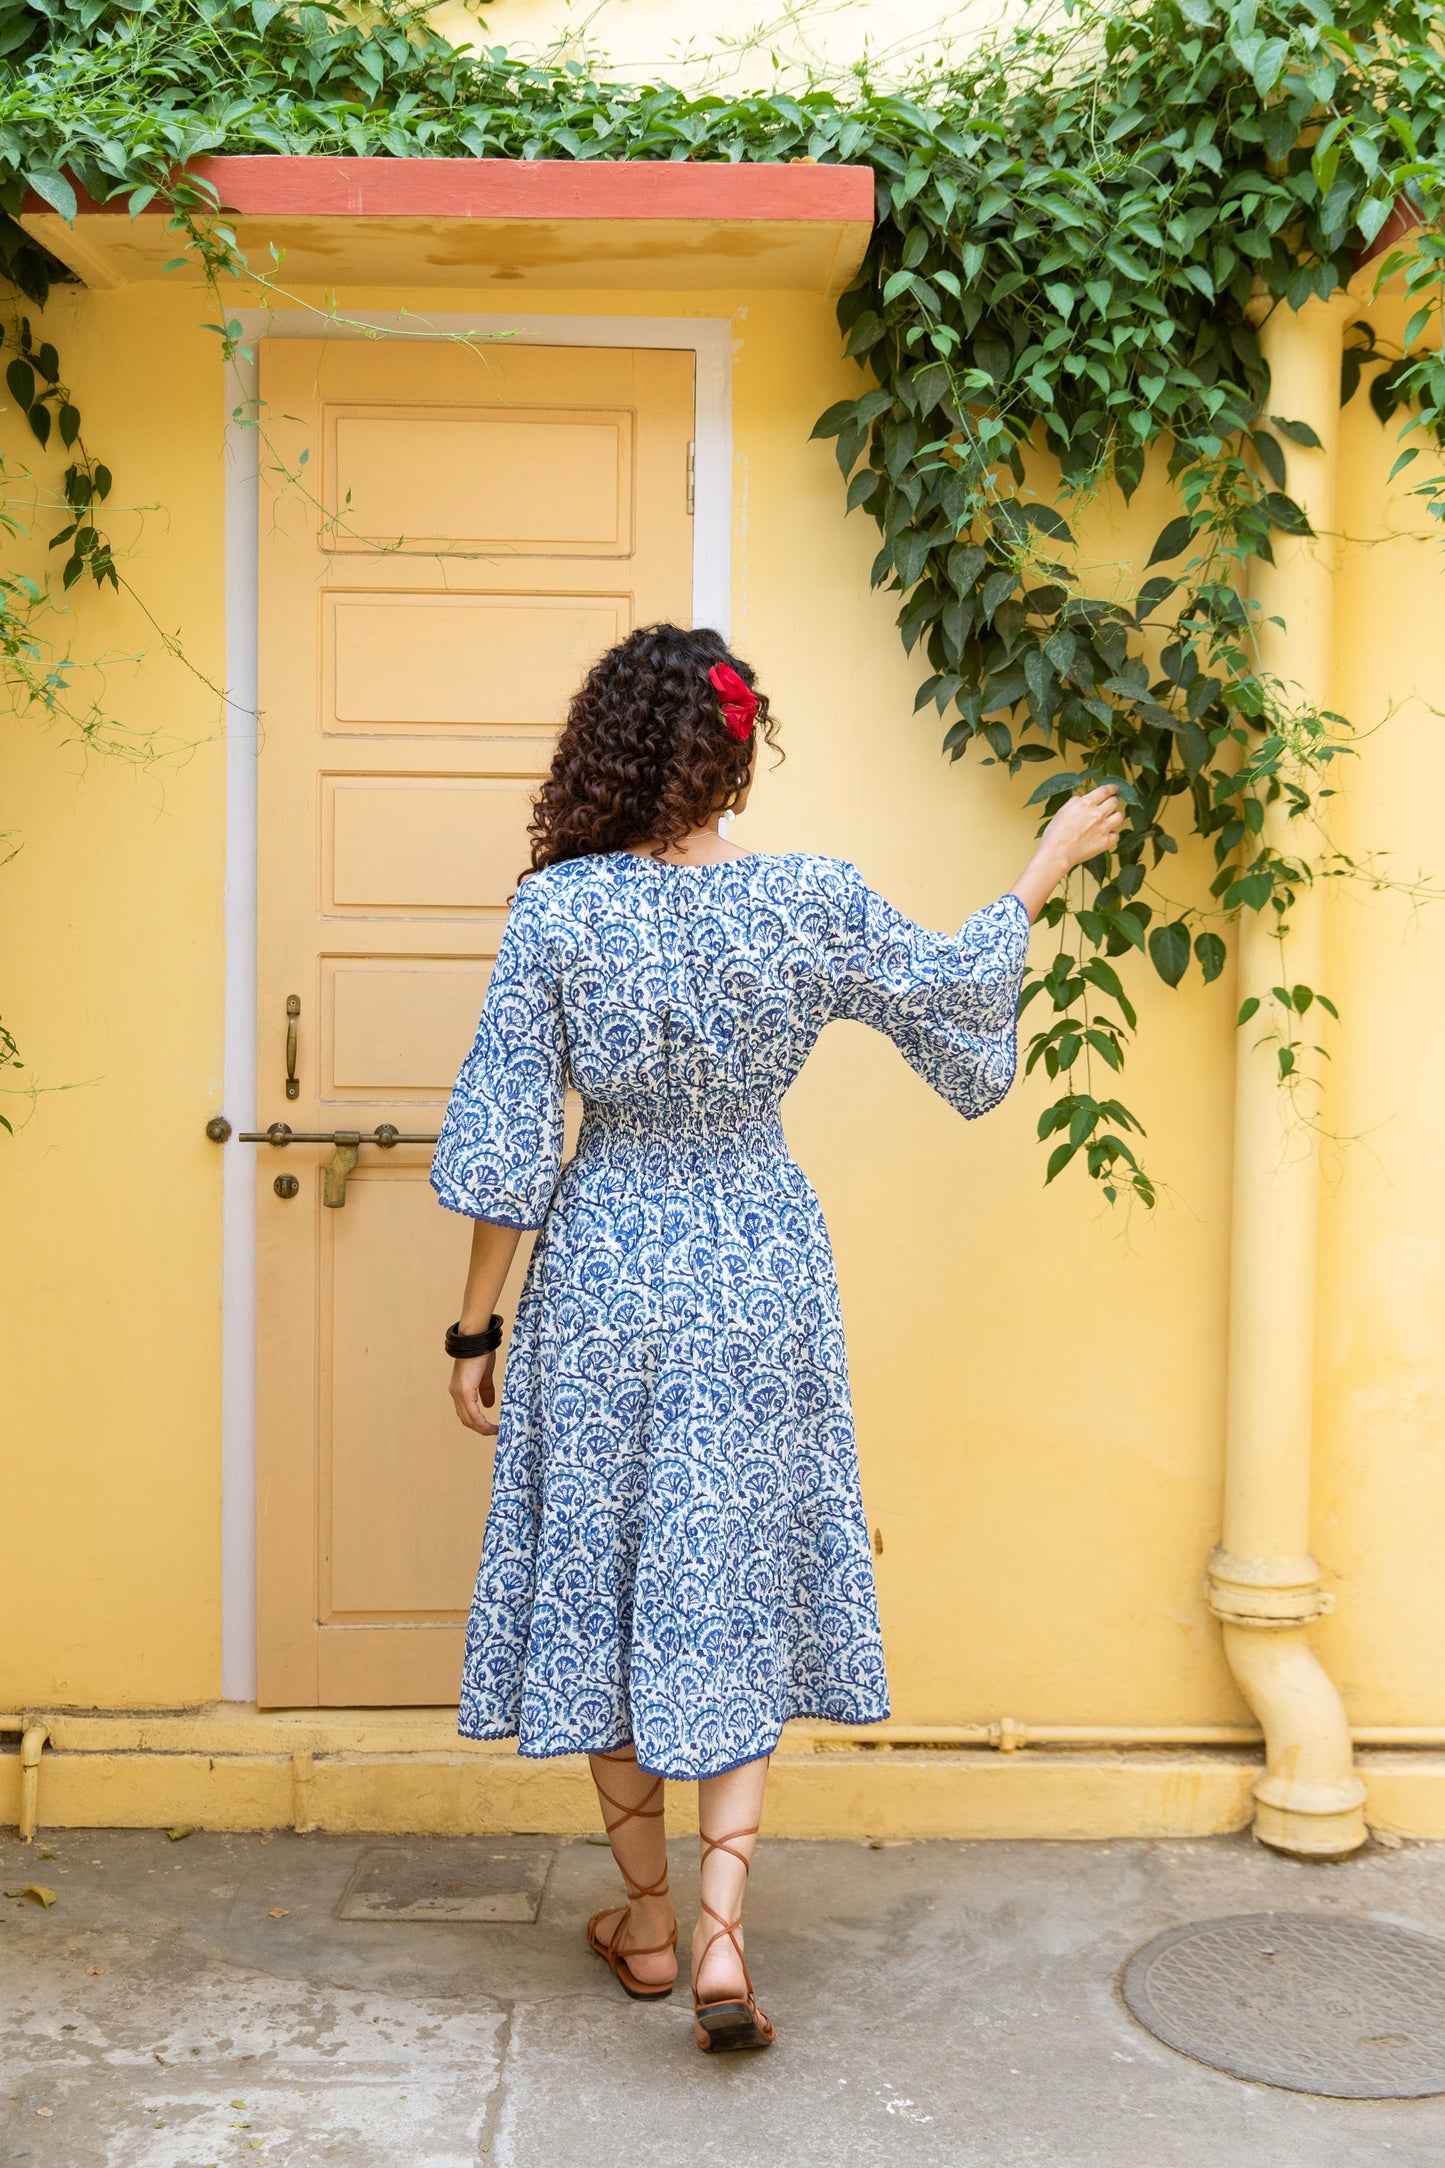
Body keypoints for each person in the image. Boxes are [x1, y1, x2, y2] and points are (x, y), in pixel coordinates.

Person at [431, 623, 1123, 2054]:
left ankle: (642, 1924)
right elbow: (950, 993)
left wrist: (471, 1324)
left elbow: (507, 1140)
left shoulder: (558, 910)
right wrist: (1041, 867)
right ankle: (728, 1935)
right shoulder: (807, 898)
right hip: (759, 1262)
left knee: (614, 1569)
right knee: (727, 1568)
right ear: (735, 756)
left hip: (610, 1260)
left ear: (606, 756)